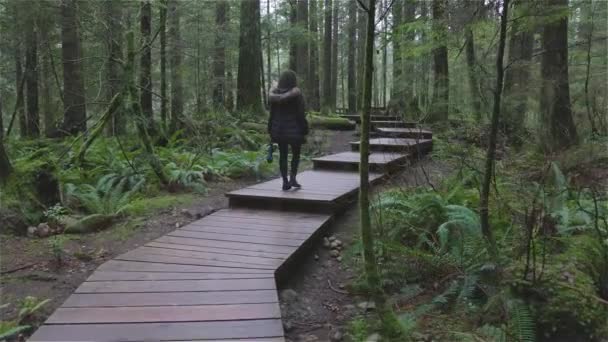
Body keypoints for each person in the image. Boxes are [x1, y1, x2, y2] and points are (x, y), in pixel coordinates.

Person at [268, 70, 309, 191]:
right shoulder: (297, 95)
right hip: (295, 131)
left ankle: (285, 181)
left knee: (283, 155)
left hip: (280, 131)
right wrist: (304, 128)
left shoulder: (274, 95)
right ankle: (293, 178)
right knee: (296, 154)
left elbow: (272, 114)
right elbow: (301, 114)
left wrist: (270, 129)